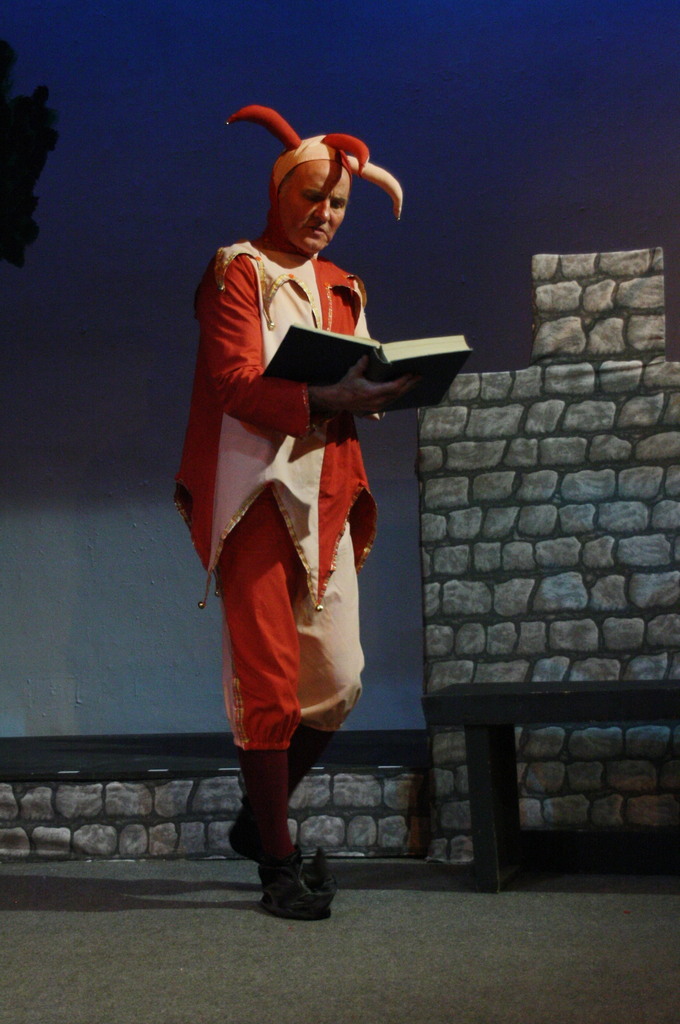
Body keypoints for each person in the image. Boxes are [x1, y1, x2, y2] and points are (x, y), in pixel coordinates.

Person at [175, 105, 416, 920]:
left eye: (338, 203)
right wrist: (323, 396)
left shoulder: (344, 284)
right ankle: (277, 862)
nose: (324, 213)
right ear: (280, 193)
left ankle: (258, 818)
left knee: (340, 678)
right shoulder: (237, 270)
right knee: (269, 685)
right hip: (255, 494)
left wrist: (386, 388)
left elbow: (360, 376)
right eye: (312, 196)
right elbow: (232, 382)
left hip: (327, 495)